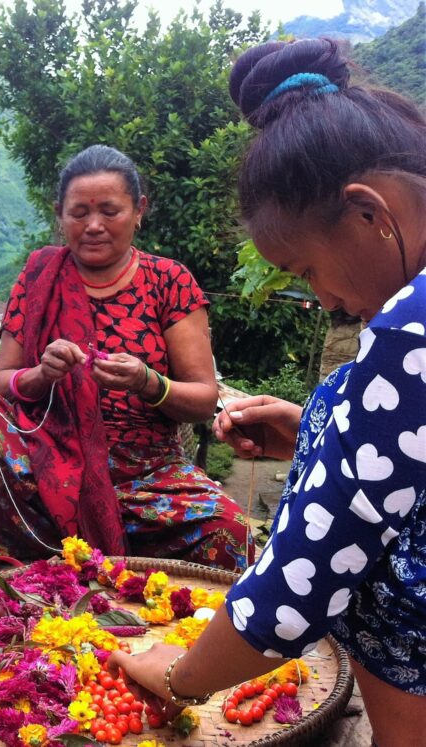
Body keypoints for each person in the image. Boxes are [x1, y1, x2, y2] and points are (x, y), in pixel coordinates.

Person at [109, 39, 426, 745]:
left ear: (370, 213)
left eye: (307, 269)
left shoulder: (411, 329)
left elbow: (300, 580)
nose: (327, 299)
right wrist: (317, 424)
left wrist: (179, 675)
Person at [0, 144, 253, 572]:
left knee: (233, 534)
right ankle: (57, 537)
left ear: (139, 210)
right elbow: (2, 382)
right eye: (79, 213)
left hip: (145, 474)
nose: (93, 226)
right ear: (60, 214)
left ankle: (66, 540)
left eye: (110, 211)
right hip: (45, 460)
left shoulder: (169, 281)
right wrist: (42, 374)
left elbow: (204, 400)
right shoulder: (40, 276)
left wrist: (146, 381)